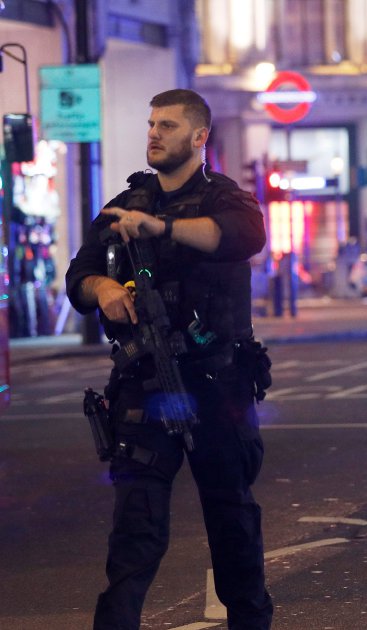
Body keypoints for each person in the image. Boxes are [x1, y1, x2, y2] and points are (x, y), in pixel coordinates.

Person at [64, 89, 273, 628]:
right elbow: (77, 279)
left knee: (232, 521)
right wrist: (104, 287)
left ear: (200, 137)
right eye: (152, 123)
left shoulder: (226, 199)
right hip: (144, 383)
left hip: (215, 383)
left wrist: (163, 229)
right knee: (135, 530)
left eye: (169, 125)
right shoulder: (125, 204)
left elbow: (245, 236)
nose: (154, 133)